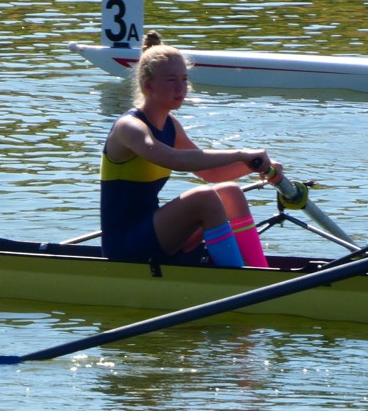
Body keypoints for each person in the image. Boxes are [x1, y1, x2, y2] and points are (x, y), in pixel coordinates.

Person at [100, 31, 280, 267]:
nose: (181, 87)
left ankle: (259, 270)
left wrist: (256, 166)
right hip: (124, 245)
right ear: (148, 85)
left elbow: (211, 173)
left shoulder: (171, 125)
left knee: (231, 193)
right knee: (204, 198)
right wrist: (241, 154)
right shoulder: (129, 128)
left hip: (152, 232)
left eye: (184, 79)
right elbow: (177, 160)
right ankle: (237, 277)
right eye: (171, 80)